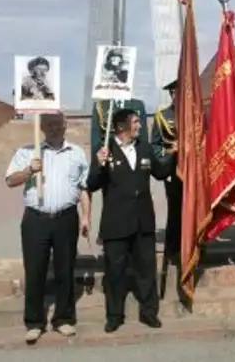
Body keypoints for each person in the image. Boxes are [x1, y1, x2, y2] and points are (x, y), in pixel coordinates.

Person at [87, 108, 176, 333]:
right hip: (116, 223)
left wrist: (174, 155)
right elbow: (92, 184)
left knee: (146, 270)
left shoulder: (144, 147)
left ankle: (149, 313)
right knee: (115, 273)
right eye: (135, 122)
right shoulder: (105, 149)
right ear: (121, 127)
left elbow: (160, 172)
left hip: (143, 221)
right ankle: (114, 316)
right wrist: (99, 164)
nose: (139, 125)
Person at [4, 112, 91, 344]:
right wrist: (29, 171)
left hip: (66, 218)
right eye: (49, 124)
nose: (54, 128)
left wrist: (86, 217)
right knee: (35, 271)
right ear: (41, 127)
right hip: (36, 219)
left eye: (58, 124)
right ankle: (34, 322)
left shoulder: (77, 153)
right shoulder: (27, 152)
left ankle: (63, 318)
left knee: (65, 270)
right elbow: (10, 180)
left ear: (65, 125)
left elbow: (83, 188)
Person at [150, 79, 184, 303]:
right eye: (173, 93)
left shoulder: (196, 114)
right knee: (175, 210)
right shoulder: (163, 116)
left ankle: (196, 247)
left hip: (194, 172)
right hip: (173, 170)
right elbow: (154, 145)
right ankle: (173, 248)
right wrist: (168, 154)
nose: (176, 96)